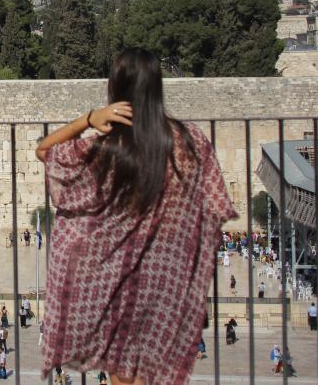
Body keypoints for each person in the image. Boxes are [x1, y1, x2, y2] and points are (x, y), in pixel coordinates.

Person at [34, 48, 237, 385]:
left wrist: (89, 119)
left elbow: (44, 150)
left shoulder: (109, 149)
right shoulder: (190, 141)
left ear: (117, 89)